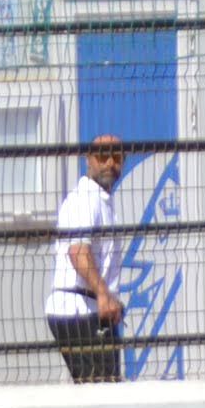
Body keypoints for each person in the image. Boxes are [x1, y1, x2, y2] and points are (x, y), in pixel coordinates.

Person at [48, 135, 130, 384]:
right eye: (102, 156)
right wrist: (103, 293)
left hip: (92, 309)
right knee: (100, 392)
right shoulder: (85, 199)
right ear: (89, 161)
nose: (109, 164)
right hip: (77, 310)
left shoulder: (102, 201)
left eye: (116, 157)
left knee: (105, 388)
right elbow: (78, 252)